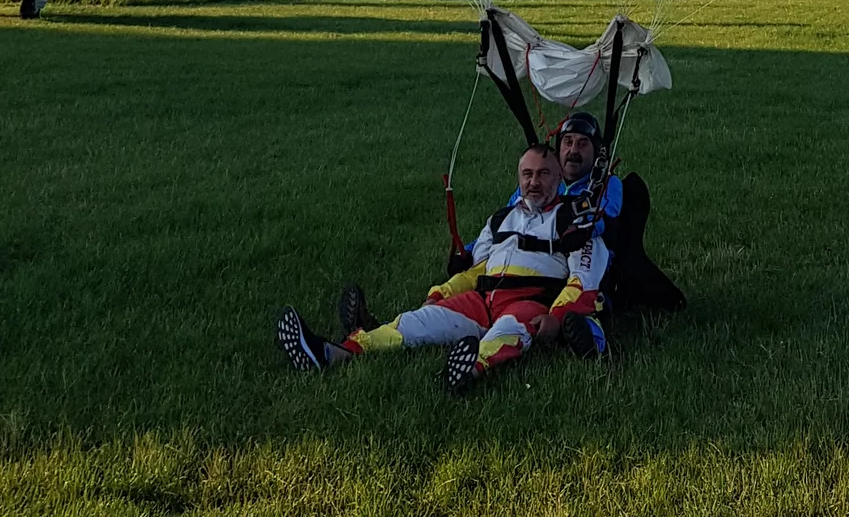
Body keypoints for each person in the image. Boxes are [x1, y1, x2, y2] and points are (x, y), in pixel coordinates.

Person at [277, 141, 605, 394]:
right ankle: (335, 352)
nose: (534, 182)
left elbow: (584, 280)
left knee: (509, 333)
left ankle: (470, 367)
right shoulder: (501, 219)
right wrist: (442, 293)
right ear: (518, 177)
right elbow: (478, 269)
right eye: (527, 174)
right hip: (481, 300)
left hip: (528, 302)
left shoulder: (575, 221)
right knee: (413, 323)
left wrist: (556, 318)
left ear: (560, 177)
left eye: (544, 174)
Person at [552, 108, 684, 320]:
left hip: (589, 255)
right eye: (568, 142)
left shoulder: (607, 184)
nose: (573, 150)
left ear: (596, 152)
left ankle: (586, 320)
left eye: (582, 144)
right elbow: (509, 217)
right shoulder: (544, 181)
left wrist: (582, 231)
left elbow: (607, 216)